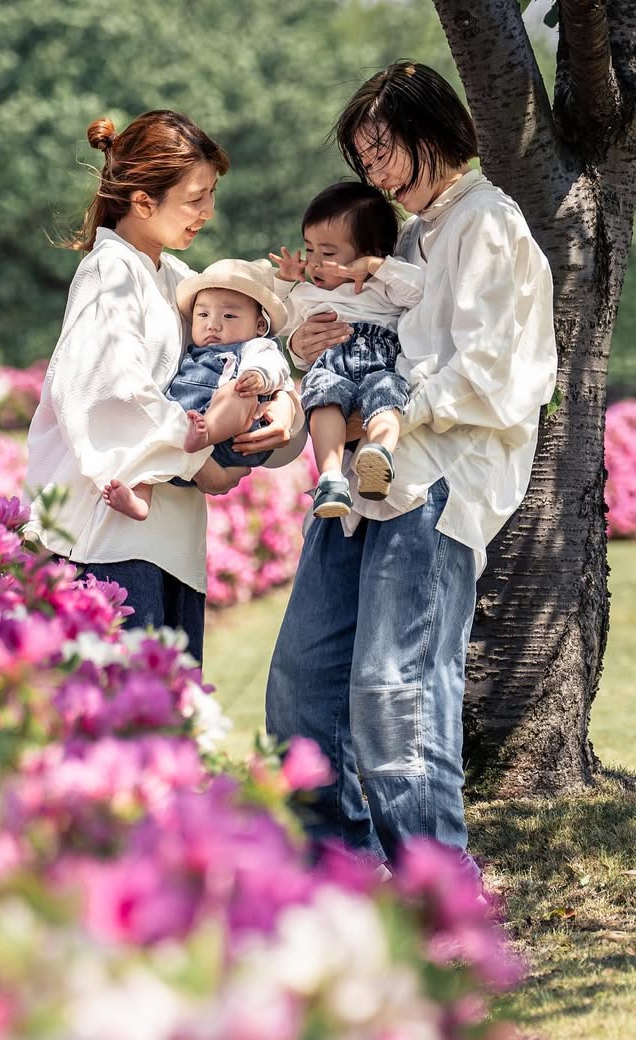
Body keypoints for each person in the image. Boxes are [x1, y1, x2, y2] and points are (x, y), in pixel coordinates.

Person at [266, 61, 556, 873]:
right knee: (299, 693)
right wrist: (308, 343)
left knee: (396, 698)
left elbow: (496, 370)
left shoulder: (485, 222)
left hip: (430, 486)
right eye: (366, 158)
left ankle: (439, 897)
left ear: (437, 132)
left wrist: (392, 407)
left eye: (386, 149)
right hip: (359, 487)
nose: (377, 172)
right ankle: (344, 880)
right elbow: (359, 320)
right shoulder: (418, 231)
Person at [25, 110, 307, 664]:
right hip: (109, 543)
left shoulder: (178, 280)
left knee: (161, 730)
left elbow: (247, 352)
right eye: (195, 197)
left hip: (168, 546)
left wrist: (283, 407)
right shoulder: (111, 272)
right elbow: (108, 394)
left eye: (210, 195)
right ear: (142, 200)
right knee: (122, 729)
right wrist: (202, 462)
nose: (208, 212)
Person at [102, 257, 300, 521]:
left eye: (229, 316)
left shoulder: (256, 346)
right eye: (203, 315)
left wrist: (258, 376)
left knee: (236, 392)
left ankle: (207, 432)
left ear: (259, 326)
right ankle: (140, 496)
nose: (213, 325)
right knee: (148, 441)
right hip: (182, 441)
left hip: (230, 441)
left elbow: (276, 366)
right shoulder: (190, 351)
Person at [270, 181, 424, 518]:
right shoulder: (308, 294)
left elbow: (419, 291)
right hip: (331, 366)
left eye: (328, 253)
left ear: (369, 253)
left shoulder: (383, 288)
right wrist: (285, 280)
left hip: (380, 365)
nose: (315, 263)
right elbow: (277, 319)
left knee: (386, 400)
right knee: (323, 400)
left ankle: (379, 453)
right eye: (309, 249)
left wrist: (375, 267)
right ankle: (330, 476)